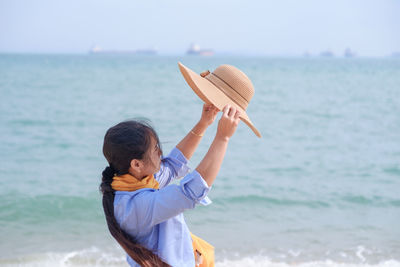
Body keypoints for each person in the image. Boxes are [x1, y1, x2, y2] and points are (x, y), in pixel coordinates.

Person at [100, 103, 241, 267]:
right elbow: (191, 192)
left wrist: (203, 123)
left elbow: (173, 166)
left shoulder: (134, 181)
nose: (160, 152)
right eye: (155, 149)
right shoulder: (137, 206)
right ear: (136, 164)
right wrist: (222, 138)